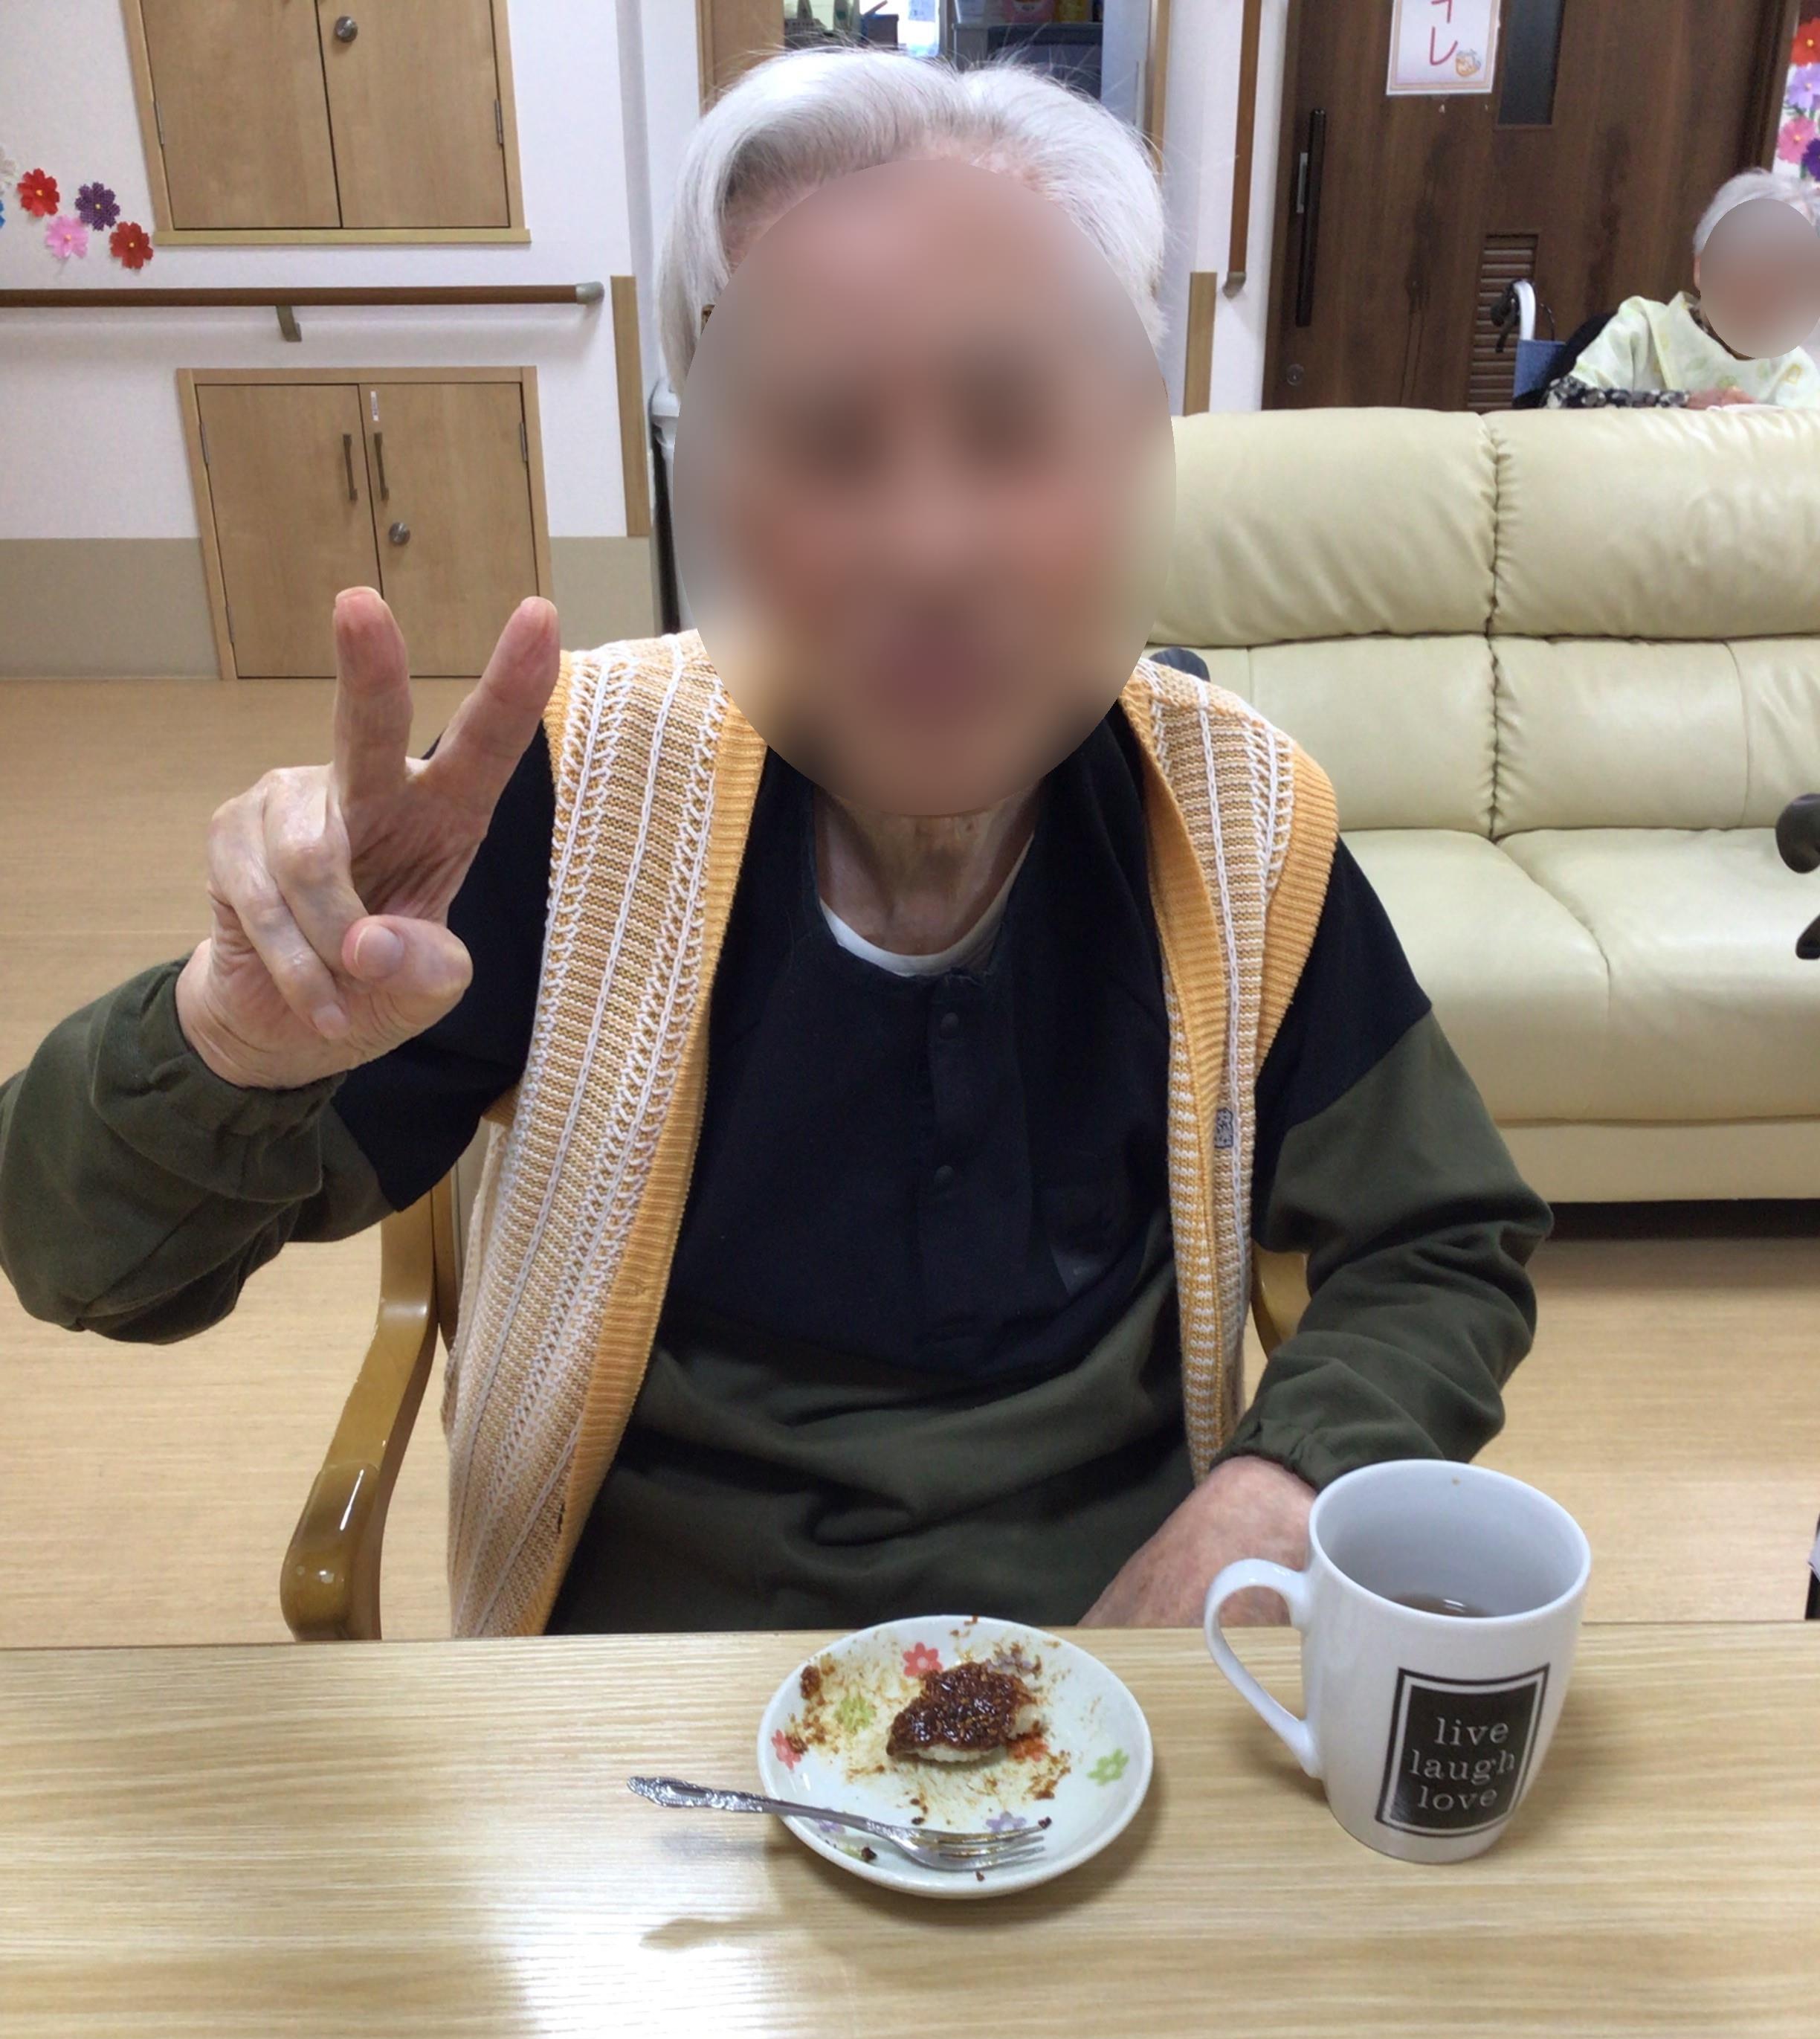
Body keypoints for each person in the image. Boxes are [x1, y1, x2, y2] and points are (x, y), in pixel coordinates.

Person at [0, 51, 1548, 1640]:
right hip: (649, 1688)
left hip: (1103, 1672)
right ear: (721, 477)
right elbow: (77, 1257)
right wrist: (225, 1046)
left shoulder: (1235, 816)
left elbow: (1441, 1239)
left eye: (1011, 427)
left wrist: (1278, 1491)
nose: (929, 547)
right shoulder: (576, 793)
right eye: (822, 439)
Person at [1546, 167, 1820, 410]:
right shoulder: (1638, 333)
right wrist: (1681, 403)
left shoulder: (1797, 374)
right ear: (1702, 269)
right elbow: (1559, 404)